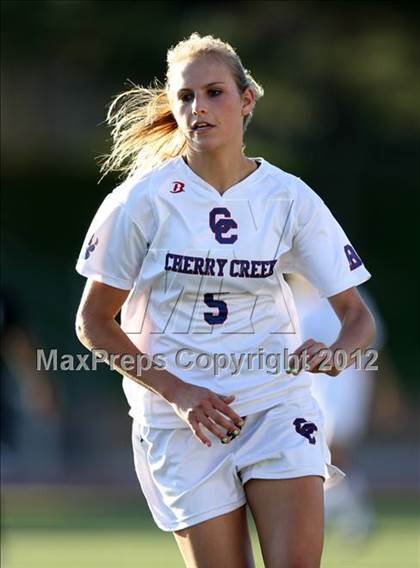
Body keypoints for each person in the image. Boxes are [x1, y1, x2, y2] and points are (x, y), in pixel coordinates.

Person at [75, 33, 376, 568]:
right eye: (185, 96)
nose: (199, 108)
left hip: (275, 403)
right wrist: (178, 392)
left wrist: (337, 353)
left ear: (247, 100)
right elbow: (94, 323)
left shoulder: (289, 197)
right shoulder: (139, 201)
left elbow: (356, 318)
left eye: (214, 92)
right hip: (181, 420)